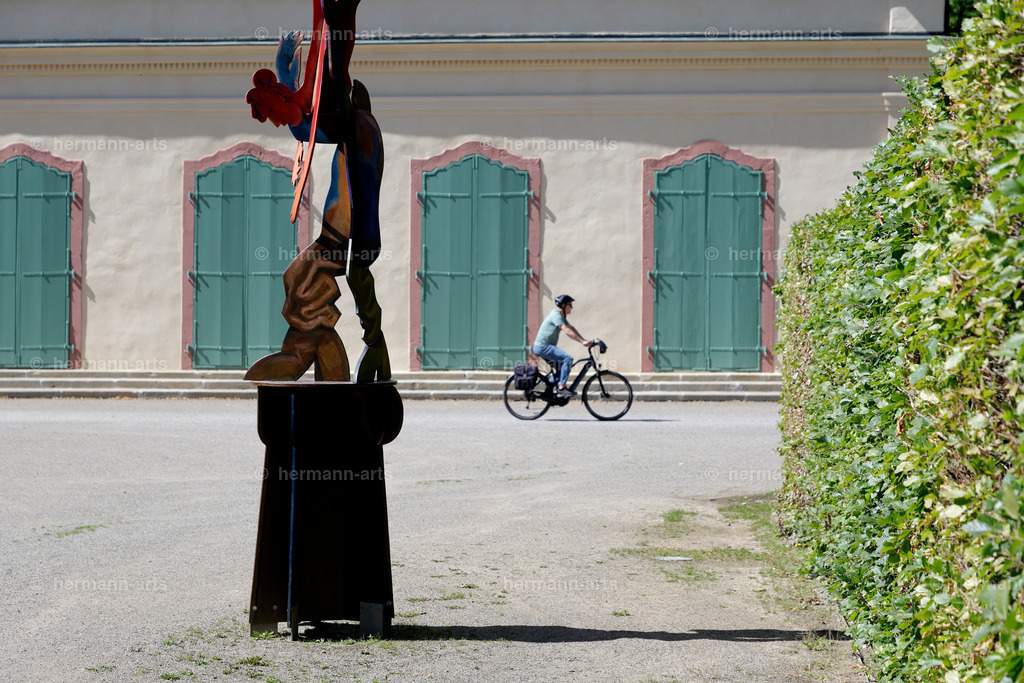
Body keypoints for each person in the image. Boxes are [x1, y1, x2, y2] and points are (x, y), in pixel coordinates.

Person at [532, 295, 594, 399]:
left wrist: (584, 340)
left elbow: (571, 328)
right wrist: (582, 341)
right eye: (570, 305)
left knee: (560, 370)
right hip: (544, 347)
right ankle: (562, 389)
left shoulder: (560, 316)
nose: (572, 307)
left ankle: (548, 392)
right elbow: (567, 330)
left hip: (542, 347)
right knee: (568, 359)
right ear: (563, 305)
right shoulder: (556, 315)